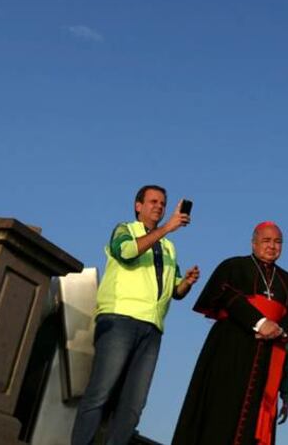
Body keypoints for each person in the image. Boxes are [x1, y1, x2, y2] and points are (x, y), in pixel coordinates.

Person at [71, 185, 200, 445]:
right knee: (101, 393)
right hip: (119, 319)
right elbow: (126, 253)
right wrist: (167, 228)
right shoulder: (125, 229)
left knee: (133, 405)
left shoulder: (168, 247)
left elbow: (175, 291)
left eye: (163, 203)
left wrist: (186, 282)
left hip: (152, 328)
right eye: (153, 201)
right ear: (138, 206)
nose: (159, 207)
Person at [171, 221, 288, 445]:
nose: (272, 246)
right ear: (253, 243)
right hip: (229, 349)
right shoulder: (233, 266)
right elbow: (222, 294)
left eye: (277, 242)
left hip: (268, 357)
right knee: (219, 413)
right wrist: (259, 322)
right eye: (266, 240)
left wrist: (278, 329)